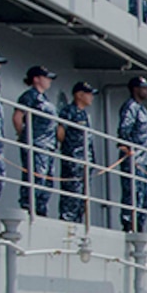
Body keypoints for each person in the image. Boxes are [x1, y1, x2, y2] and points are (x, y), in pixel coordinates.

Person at [13, 64, 57, 216]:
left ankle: (40, 210)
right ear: (36, 79)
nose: (49, 81)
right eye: (46, 78)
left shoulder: (44, 98)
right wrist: (24, 137)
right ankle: (29, 208)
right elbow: (18, 117)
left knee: (47, 181)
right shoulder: (29, 96)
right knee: (36, 178)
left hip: (48, 146)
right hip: (36, 143)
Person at [114, 75, 147, 231]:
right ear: (136, 89)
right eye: (145, 88)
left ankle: (139, 224)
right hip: (134, 160)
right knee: (132, 193)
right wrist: (129, 150)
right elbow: (124, 130)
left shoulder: (141, 108)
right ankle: (129, 224)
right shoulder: (130, 107)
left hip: (144, 160)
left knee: (144, 197)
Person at [54, 80, 95, 224]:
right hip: (73, 161)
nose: (92, 97)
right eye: (89, 94)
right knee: (71, 194)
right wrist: (68, 151)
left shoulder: (84, 115)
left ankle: (77, 221)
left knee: (82, 197)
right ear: (79, 95)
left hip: (85, 162)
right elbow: (61, 131)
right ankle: (67, 221)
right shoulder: (68, 111)